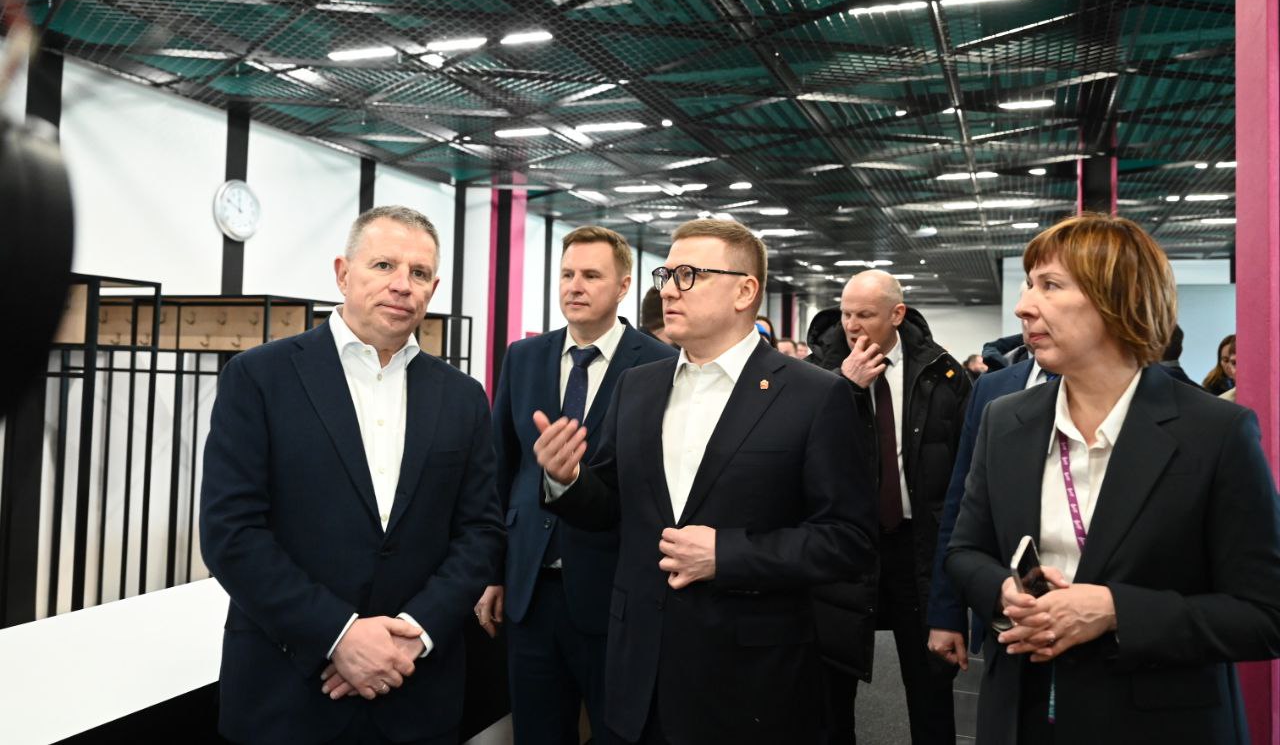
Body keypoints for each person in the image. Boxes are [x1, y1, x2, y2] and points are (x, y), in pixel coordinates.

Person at [533, 219, 876, 744]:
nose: (668, 290)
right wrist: (567, 479)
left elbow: (848, 541)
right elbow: (611, 506)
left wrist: (727, 554)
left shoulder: (814, 395)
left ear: (745, 291)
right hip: (637, 672)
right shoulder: (637, 386)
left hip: (748, 684)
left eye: (689, 275)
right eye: (666, 274)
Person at [947, 214, 1280, 744]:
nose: (1023, 306)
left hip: (1158, 724)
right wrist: (1005, 593)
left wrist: (1115, 611)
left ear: (1117, 300)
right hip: (1022, 714)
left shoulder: (1215, 432)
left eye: (1050, 285)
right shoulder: (1005, 419)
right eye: (1029, 284)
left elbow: (1263, 614)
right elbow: (966, 551)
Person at [199, 206, 504, 745]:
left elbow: (480, 532)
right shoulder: (260, 377)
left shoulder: (462, 396)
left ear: (433, 289)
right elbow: (232, 533)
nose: (401, 284)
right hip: (287, 695)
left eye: (418, 273)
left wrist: (413, 635)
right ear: (343, 274)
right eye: (384, 265)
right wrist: (338, 635)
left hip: (416, 695)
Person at [478, 226, 674, 745]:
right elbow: (501, 469)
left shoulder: (659, 364)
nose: (574, 286)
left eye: (590, 275)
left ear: (623, 285)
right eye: (566, 274)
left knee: (618, 731)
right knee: (537, 731)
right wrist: (492, 571)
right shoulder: (524, 356)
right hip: (529, 587)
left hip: (613, 590)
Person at [823, 270, 971, 745]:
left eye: (865, 314)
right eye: (846, 313)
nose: (851, 325)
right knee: (831, 689)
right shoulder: (818, 370)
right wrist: (845, 387)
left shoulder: (942, 373)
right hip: (845, 548)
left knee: (930, 684)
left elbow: (965, 469)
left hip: (916, 546)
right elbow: (799, 447)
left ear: (897, 314)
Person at [926, 336, 1055, 668]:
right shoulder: (993, 388)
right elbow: (959, 505)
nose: (1024, 311)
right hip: (1005, 612)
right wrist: (947, 611)